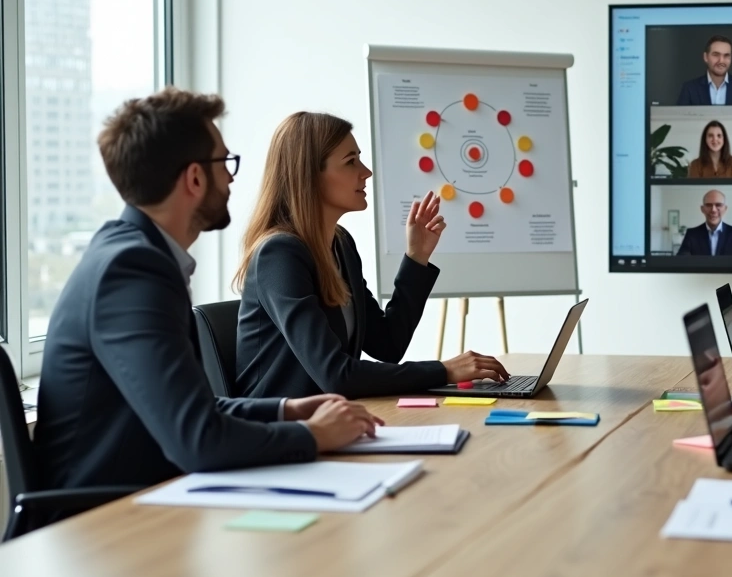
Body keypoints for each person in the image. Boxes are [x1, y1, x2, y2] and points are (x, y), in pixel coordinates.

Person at [33, 88, 382, 497]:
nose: (232, 176)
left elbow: (193, 410)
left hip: (149, 503)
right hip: (102, 523)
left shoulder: (139, 256)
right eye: (225, 162)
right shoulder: (131, 271)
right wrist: (312, 435)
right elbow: (197, 440)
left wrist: (287, 410)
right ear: (195, 178)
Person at [233, 112, 510, 401]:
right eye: (350, 162)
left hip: (332, 420)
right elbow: (335, 375)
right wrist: (443, 370)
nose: (365, 172)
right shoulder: (279, 255)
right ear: (309, 175)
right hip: (281, 434)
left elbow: (387, 345)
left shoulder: (341, 245)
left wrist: (417, 257)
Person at [676, 35, 732, 105]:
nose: (721, 61)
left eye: (726, 55)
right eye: (716, 55)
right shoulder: (690, 88)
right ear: (706, 57)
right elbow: (680, 121)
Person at [676, 189, 732, 256]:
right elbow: (681, 262)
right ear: (702, 209)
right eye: (708, 205)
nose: (713, 210)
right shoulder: (691, 234)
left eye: (718, 205)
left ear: (725, 209)